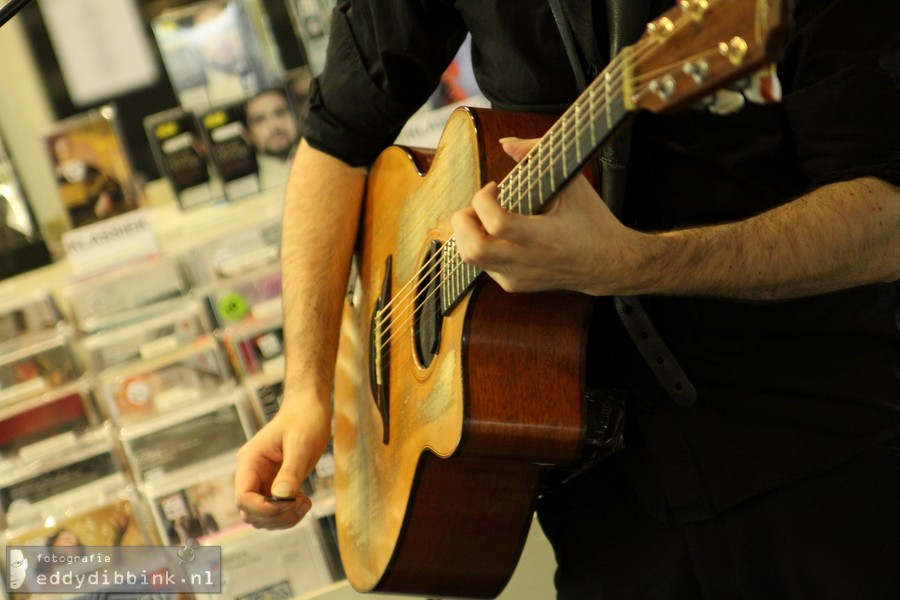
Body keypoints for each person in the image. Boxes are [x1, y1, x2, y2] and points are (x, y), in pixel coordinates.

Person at [235, 1, 900, 598]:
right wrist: (306, 391)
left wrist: (629, 264)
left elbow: (885, 221)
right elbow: (333, 143)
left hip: (817, 453)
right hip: (595, 491)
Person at [242, 89, 300, 189]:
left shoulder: (323, 160)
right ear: (247, 135)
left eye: (280, 113)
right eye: (260, 119)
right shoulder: (245, 187)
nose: (274, 126)